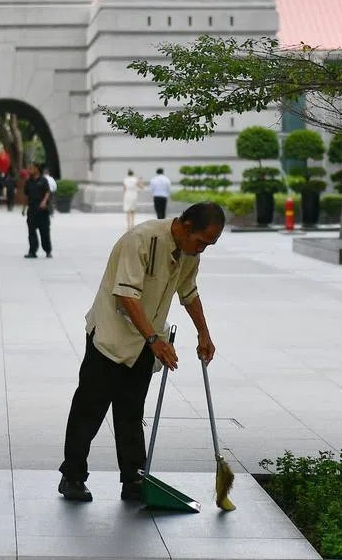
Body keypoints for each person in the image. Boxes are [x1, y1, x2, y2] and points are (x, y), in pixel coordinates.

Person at [58, 203, 225, 503]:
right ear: (186, 227)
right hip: (110, 337)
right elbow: (125, 294)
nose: (202, 250)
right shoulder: (142, 239)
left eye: (208, 246)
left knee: (131, 413)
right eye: (201, 242)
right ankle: (72, 476)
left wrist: (204, 333)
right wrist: (153, 339)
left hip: (147, 342)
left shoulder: (189, 253)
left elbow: (188, 291)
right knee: (89, 409)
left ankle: (134, 479)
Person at [24, 162, 52, 259]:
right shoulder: (28, 181)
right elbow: (26, 195)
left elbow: (48, 192)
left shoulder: (43, 180)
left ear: (36, 169)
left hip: (42, 210)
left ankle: (48, 251)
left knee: (44, 231)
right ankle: (32, 251)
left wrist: (44, 202)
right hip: (32, 210)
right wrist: (24, 208)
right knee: (31, 232)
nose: (29, 170)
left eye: (31, 168)